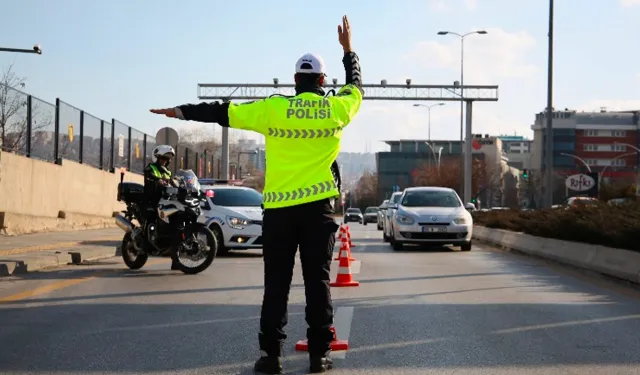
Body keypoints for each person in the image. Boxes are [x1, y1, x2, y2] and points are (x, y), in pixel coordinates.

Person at [149, 15, 362, 374]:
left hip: (279, 212)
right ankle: (318, 356)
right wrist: (348, 51)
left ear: (295, 81)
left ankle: (271, 357)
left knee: (276, 285)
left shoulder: (273, 107)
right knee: (318, 282)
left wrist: (180, 112)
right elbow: (356, 87)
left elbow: (222, 112)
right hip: (317, 211)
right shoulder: (336, 108)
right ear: (323, 82)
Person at [143, 145, 179, 270]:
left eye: (166, 159)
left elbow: (173, 182)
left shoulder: (167, 172)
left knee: (175, 227)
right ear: (157, 158)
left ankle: (176, 260)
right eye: (162, 158)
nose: (164, 161)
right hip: (151, 201)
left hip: (165, 201)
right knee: (151, 220)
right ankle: (147, 242)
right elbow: (149, 175)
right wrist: (157, 179)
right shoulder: (150, 167)